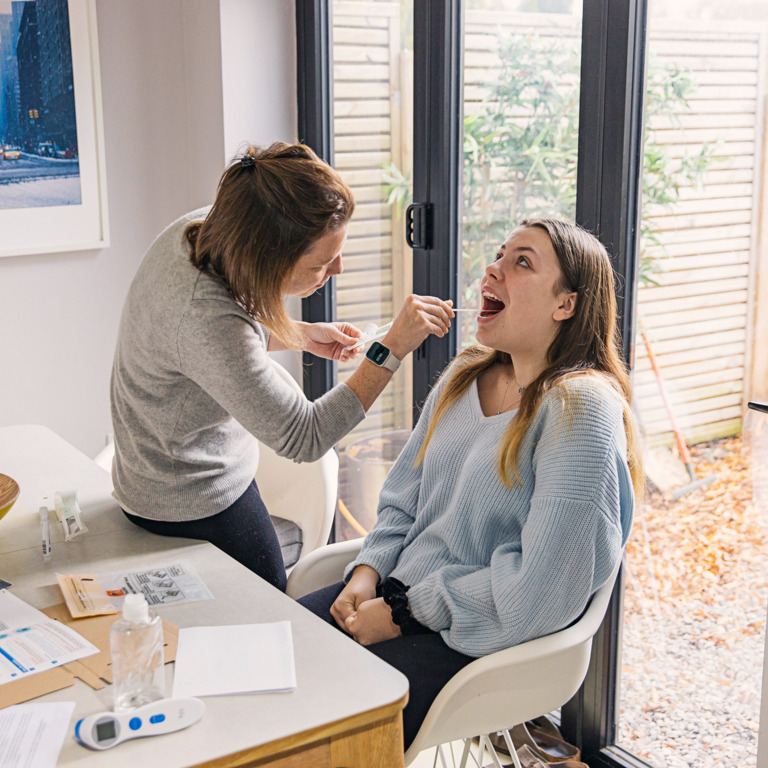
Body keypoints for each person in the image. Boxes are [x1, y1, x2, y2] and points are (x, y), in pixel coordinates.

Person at [298, 218, 643, 750]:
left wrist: (404, 612)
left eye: (521, 261)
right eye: (500, 254)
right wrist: (368, 573)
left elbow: (540, 590)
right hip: (394, 599)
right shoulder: (466, 374)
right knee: (273, 646)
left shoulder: (581, 410)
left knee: (318, 726)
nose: (494, 267)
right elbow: (402, 498)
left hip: (475, 640)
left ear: (566, 305)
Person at [110, 142, 453, 591]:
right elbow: (304, 436)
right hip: (186, 500)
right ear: (268, 258)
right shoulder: (203, 315)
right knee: (269, 620)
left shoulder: (206, 228)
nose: (339, 269)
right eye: (322, 263)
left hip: (149, 470)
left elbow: (205, 345)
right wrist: (389, 350)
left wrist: (302, 333)